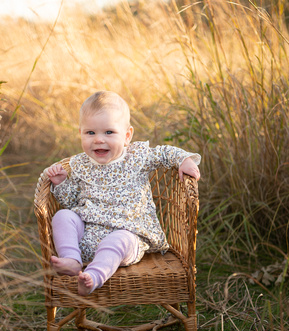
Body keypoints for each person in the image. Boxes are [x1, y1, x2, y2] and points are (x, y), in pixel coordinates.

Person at [46, 91, 201, 296]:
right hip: (88, 237)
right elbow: (71, 202)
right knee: (62, 216)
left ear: (127, 136)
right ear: (81, 133)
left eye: (109, 132)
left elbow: (164, 153)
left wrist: (184, 160)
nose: (99, 140)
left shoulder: (137, 157)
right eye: (90, 133)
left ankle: (94, 276)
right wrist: (61, 184)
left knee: (119, 239)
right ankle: (72, 259)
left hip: (129, 237)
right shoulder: (80, 165)